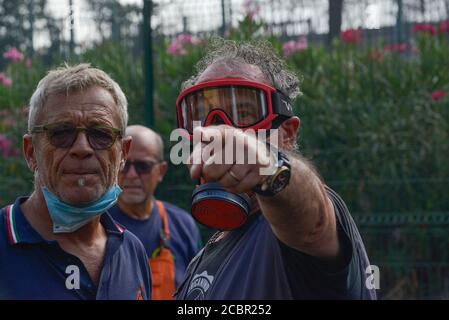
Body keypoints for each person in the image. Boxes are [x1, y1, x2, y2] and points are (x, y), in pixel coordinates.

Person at [173, 38, 377, 300]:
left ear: (288, 134)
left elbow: (312, 220)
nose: (219, 129)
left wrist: (269, 166)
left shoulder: (293, 234)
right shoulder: (203, 256)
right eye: (204, 117)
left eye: (244, 112)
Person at [0, 64, 151, 300]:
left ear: (123, 153)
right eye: (61, 133)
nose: (82, 148)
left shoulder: (132, 250)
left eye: (101, 134)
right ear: (31, 152)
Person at [109, 125, 202, 300]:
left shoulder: (182, 225)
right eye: (124, 165)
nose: (132, 175)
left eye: (143, 166)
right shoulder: (97, 227)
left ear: (161, 171)